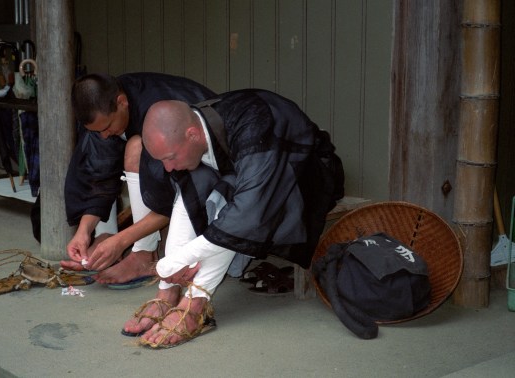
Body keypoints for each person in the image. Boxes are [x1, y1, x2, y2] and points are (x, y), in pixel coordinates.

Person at [124, 89, 344, 348]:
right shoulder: (194, 125)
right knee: (194, 182)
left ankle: (195, 306)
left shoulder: (256, 125)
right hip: (245, 176)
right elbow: (189, 192)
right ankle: (168, 293)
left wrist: (178, 260)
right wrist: (169, 272)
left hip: (304, 179)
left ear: (192, 134)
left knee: (232, 212)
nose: (168, 168)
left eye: (170, 157)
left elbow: (248, 213)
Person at [60, 73, 216, 285]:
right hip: (178, 184)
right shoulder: (106, 113)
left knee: (135, 147)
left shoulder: (158, 110)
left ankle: (143, 255)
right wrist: (84, 232)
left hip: (215, 182)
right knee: (121, 146)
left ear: (122, 102)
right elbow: (98, 173)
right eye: (98, 131)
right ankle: (114, 241)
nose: (104, 135)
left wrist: (122, 240)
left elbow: (180, 190)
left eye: (107, 128)